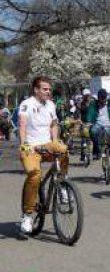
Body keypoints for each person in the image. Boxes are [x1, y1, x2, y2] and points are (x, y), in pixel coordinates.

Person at [18, 76, 69, 234]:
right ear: (36, 90)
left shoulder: (51, 104)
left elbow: (54, 124)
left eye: (49, 89)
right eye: (45, 89)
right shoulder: (27, 104)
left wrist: (55, 140)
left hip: (47, 143)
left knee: (63, 150)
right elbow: (22, 125)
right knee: (34, 175)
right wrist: (25, 144)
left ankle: (61, 184)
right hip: (30, 146)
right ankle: (27, 215)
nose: (48, 92)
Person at [87, 88, 110, 180]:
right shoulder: (93, 104)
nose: (103, 100)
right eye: (101, 99)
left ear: (106, 97)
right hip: (98, 125)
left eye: (104, 98)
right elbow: (90, 113)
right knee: (93, 131)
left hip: (109, 125)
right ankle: (97, 150)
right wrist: (89, 121)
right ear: (98, 98)